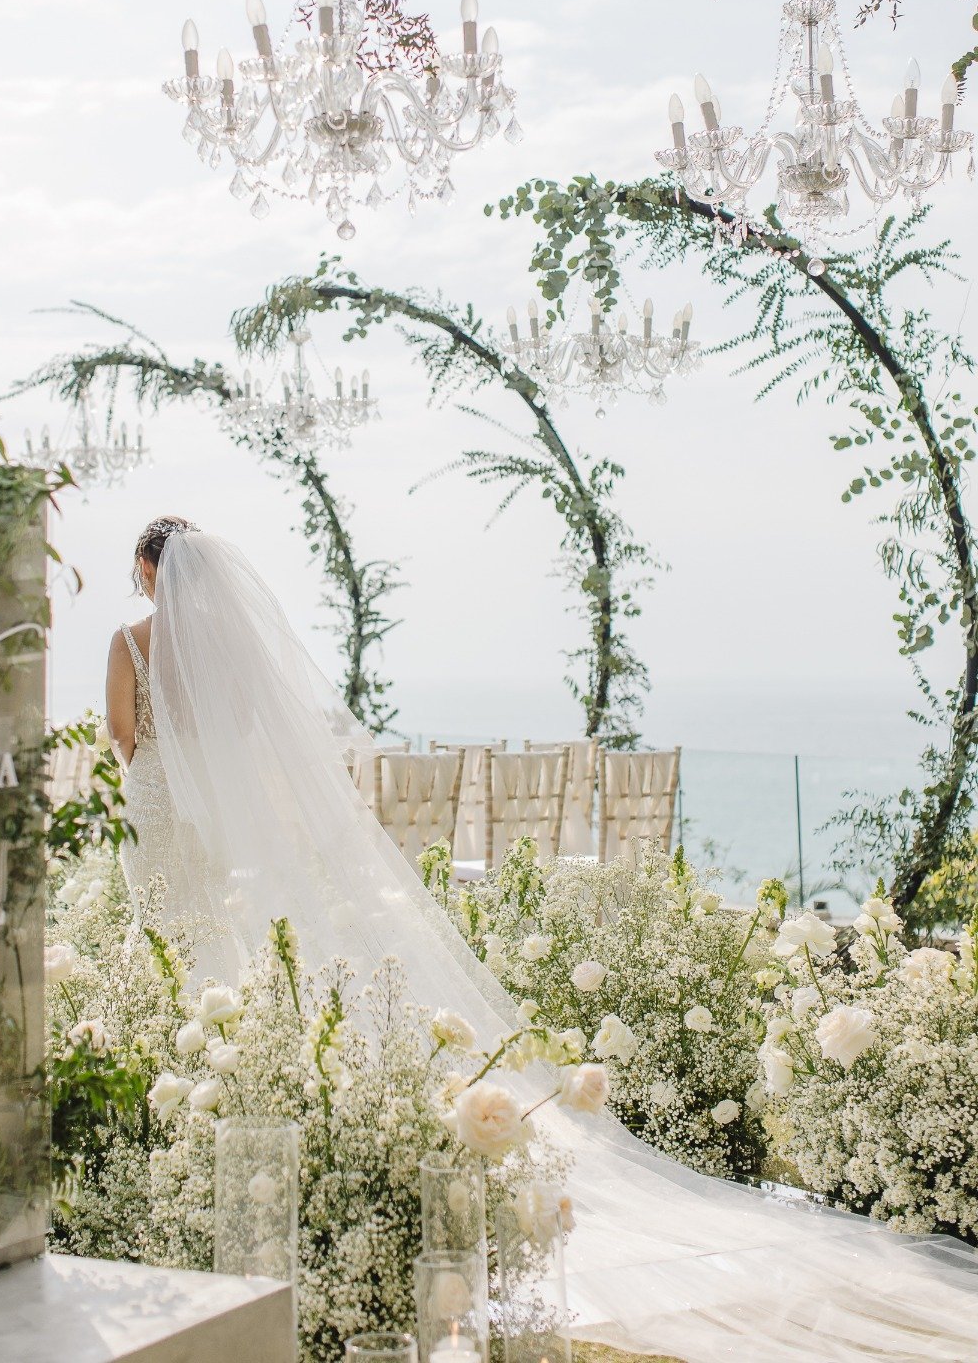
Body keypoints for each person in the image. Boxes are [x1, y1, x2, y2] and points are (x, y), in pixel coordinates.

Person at [107, 515, 978, 1361]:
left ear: (149, 573)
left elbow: (121, 736)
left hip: (158, 809)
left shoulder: (132, 642)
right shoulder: (230, 658)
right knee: (222, 948)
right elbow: (260, 740)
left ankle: (187, 1100)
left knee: (174, 947)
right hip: (224, 825)